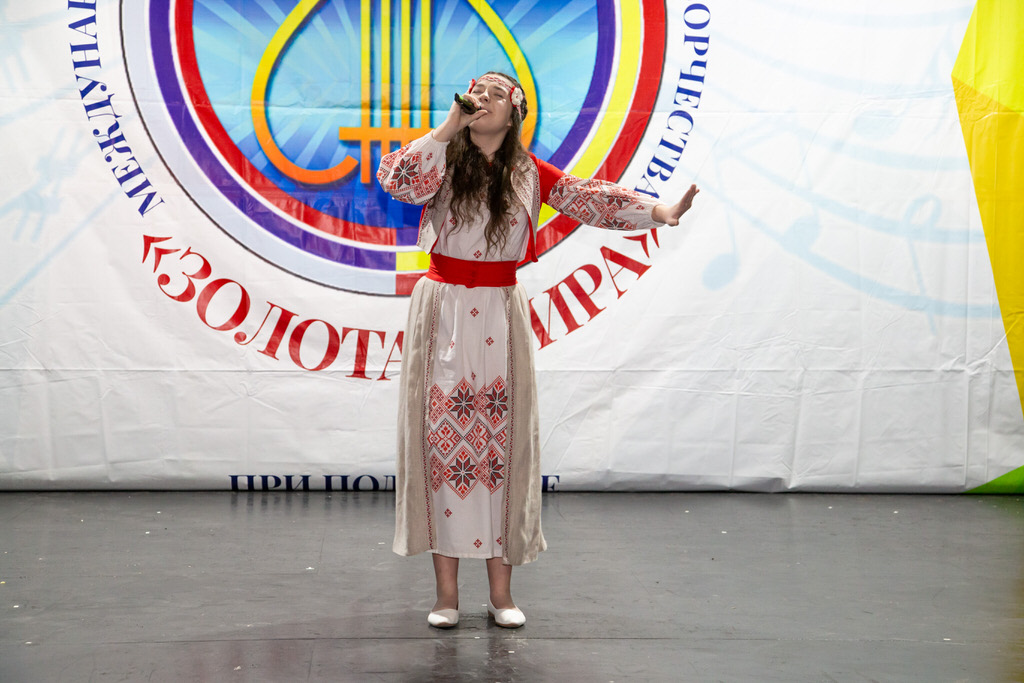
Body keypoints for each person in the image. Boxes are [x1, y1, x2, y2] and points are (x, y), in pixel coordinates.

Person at [377, 71, 699, 629]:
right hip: (443, 307)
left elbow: (590, 199)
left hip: (499, 310)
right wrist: (448, 126)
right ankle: (446, 596)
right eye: (476, 91)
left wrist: (658, 212)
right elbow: (398, 181)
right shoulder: (441, 161)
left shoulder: (529, 173)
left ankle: (501, 595)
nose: (483, 99)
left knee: (501, 448)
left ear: (517, 111)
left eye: (496, 93)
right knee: (441, 446)